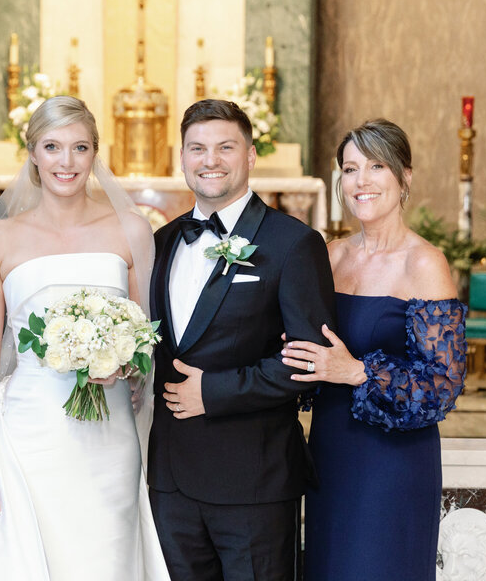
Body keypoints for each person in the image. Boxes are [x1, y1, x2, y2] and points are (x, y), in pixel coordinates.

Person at [0, 95, 170, 579]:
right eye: (53, 146)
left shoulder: (131, 230)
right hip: (28, 435)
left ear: (94, 154)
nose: (67, 162)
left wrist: (122, 363)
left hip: (109, 438)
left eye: (80, 148)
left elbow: (148, 339)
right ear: (33, 153)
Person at [148, 99, 336, 580]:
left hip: (253, 482)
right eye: (198, 148)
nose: (209, 159)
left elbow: (309, 362)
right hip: (170, 481)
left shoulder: (293, 244)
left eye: (225, 147)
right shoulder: (162, 241)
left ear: (250, 156)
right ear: (182, 157)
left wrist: (212, 391)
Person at [279, 119, 467, 580]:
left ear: (405, 178)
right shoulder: (330, 255)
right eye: (350, 168)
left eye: (376, 166)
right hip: (330, 452)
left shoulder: (424, 262)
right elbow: (310, 349)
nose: (361, 181)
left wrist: (357, 372)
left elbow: (441, 386)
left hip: (393, 463)